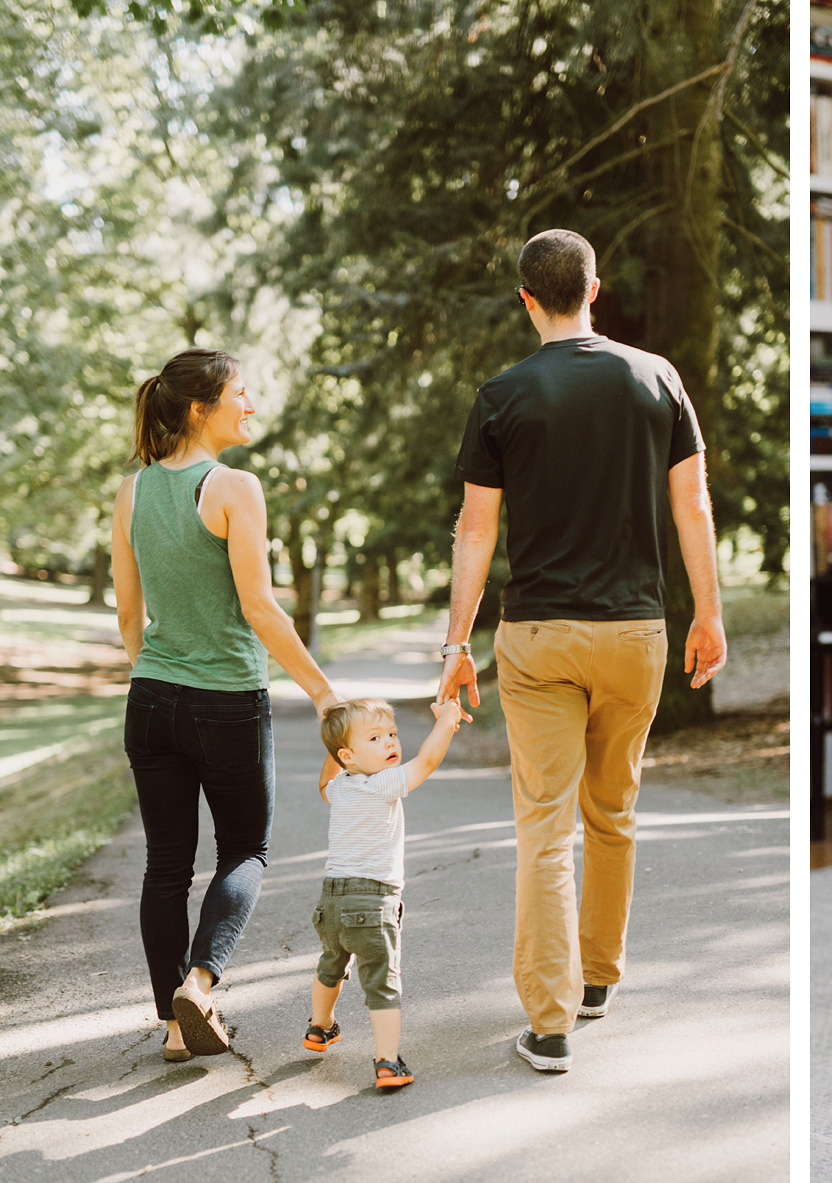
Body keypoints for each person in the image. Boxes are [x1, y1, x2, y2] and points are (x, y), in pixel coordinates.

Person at [436, 228, 726, 1073]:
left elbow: (476, 530)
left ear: (527, 298)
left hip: (539, 638)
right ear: (594, 289)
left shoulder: (502, 394)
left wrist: (456, 642)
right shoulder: (657, 377)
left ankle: (551, 1022)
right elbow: (692, 506)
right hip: (636, 632)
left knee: (544, 826)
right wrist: (708, 613)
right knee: (613, 812)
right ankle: (597, 978)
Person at [112, 347, 339, 1060]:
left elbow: (129, 617)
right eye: (241, 393)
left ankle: (175, 1029)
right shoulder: (235, 487)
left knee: (165, 865)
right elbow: (260, 608)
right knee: (244, 849)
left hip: (151, 699)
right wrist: (324, 692)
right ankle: (201, 982)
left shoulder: (131, 492)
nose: (251, 405)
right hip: (229, 702)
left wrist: (158, 675)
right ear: (200, 408)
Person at [303, 696, 463, 1088]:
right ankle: (388, 1061)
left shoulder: (341, 787)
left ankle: (319, 1027)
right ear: (348, 755)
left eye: (391, 733)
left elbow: (322, 784)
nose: (390, 742)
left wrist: (337, 756)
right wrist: (447, 720)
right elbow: (427, 761)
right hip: (373, 901)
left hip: (331, 901)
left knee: (331, 964)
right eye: (374, 738)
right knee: (382, 982)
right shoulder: (382, 784)